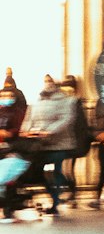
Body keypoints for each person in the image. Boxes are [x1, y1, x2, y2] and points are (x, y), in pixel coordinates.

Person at [20, 74, 76, 215]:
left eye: (50, 81)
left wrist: (49, 131)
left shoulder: (66, 100)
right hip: (40, 144)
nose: (47, 84)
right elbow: (29, 118)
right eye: (45, 81)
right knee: (39, 171)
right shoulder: (37, 100)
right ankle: (58, 194)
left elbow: (67, 119)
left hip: (59, 144)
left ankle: (56, 202)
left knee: (56, 172)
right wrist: (27, 131)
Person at [60, 76, 92, 207]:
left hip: (74, 142)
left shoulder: (75, 104)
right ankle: (72, 192)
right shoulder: (75, 103)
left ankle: (72, 192)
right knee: (66, 168)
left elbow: (80, 126)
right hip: (71, 141)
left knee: (67, 169)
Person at [0, 73, 28, 220]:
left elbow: (17, 130)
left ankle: (8, 207)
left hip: (13, 147)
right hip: (3, 147)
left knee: (8, 176)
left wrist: (8, 133)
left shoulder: (18, 112)